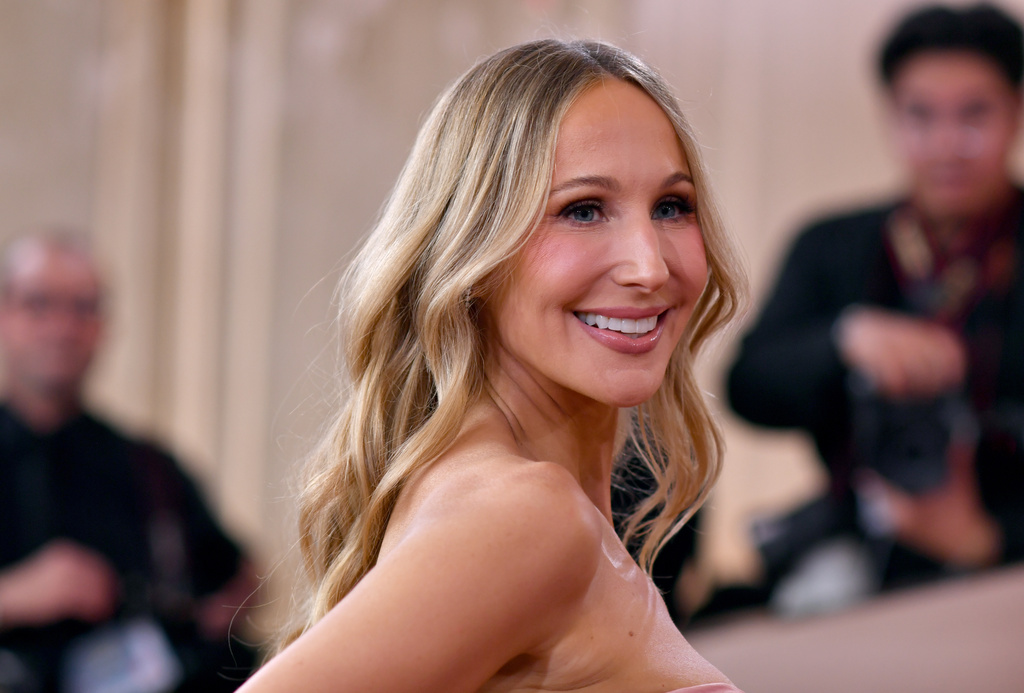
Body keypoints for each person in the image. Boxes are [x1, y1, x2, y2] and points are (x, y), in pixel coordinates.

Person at [241, 39, 746, 692]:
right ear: (473, 253)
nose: (649, 266)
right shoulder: (529, 518)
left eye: (671, 206)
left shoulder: (521, 505)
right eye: (583, 210)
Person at [728, 3, 1024, 614]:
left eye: (975, 114)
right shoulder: (834, 245)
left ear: (1017, 112)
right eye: (920, 115)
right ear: (889, 116)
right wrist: (845, 337)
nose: (947, 144)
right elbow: (747, 386)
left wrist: (986, 539)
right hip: (855, 545)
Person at [0, 232, 259, 691]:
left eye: (83, 308)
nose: (62, 327)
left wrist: (198, 622)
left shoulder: (150, 467)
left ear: (103, 327)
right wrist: (18, 595)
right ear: (5, 315)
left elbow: (241, 577)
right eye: (40, 304)